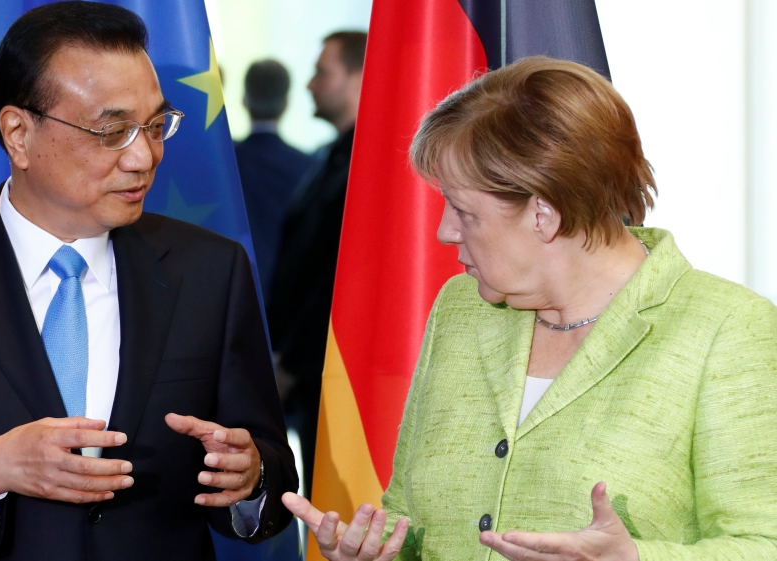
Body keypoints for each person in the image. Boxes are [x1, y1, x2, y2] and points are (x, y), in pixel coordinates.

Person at [0, 4, 296, 560]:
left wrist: (252, 477)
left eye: (157, 126)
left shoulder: (210, 269)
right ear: (18, 133)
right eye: (114, 131)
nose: (144, 157)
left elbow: (272, 467)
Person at [283, 56, 777, 560]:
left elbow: (765, 544)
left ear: (543, 213)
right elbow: (411, 517)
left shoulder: (730, 330)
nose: (445, 231)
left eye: (464, 211)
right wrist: (373, 554)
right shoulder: (460, 309)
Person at [267, 30, 366, 499]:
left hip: (337, 373)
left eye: (322, 73)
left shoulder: (371, 166)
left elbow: (340, 277)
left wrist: (292, 361)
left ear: (359, 77)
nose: (309, 84)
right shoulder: (333, 157)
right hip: (313, 374)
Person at [234, 59, 315, 297]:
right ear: (286, 104)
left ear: (244, 100)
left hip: (230, 288)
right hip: (287, 292)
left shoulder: (223, 163)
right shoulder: (310, 169)